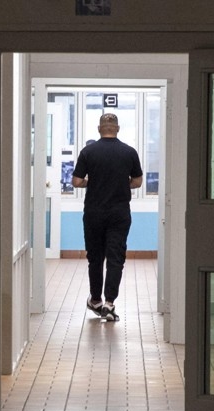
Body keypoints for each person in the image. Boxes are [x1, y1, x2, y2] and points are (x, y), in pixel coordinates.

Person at [71, 113, 143, 322]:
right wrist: (121, 183)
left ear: (99, 128)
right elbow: (137, 182)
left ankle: (95, 300)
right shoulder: (129, 152)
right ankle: (110, 303)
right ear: (117, 128)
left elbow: (76, 181)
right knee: (115, 258)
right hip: (119, 213)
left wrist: (91, 183)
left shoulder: (88, 152)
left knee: (95, 257)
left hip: (94, 213)